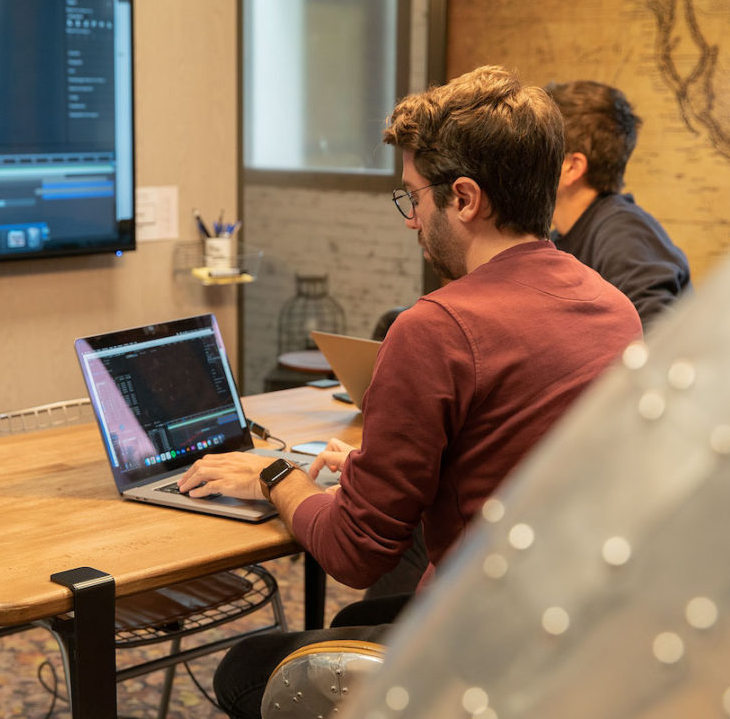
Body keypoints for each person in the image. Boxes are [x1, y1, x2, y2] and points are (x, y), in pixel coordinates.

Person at [178, 65, 642, 719]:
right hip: (571, 627)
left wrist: (275, 474)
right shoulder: (613, 307)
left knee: (247, 668)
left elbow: (354, 551)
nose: (410, 221)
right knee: (370, 615)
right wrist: (373, 471)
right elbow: (507, 456)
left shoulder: (436, 328)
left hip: (481, 649)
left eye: (413, 198)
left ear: (465, 198)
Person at [545, 80, 691, 328]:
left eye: (538, 148)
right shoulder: (560, 239)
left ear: (572, 167)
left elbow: (656, 337)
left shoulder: (623, 233)